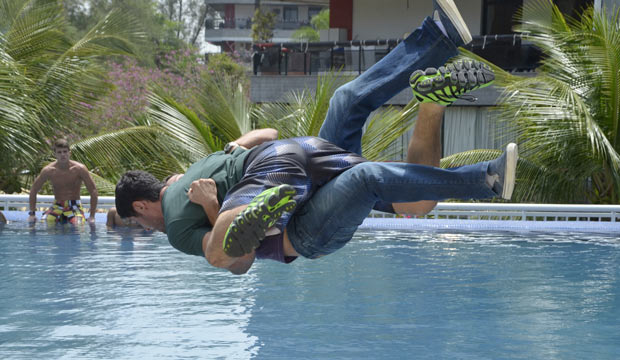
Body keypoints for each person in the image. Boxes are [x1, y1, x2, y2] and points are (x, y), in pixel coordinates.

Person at [115, 0, 516, 275]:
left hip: (298, 197)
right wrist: (220, 183)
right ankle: (479, 166)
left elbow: (238, 259)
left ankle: (480, 168)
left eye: (139, 222)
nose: (146, 229)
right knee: (369, 156)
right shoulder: (191, 188)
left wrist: (225, 177)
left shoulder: (179, 215)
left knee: (352, 113)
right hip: (296, 193)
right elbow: (237, 257)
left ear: (142, 205)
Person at [28, 138, 98, 224]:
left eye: (65, 152)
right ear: (55, 154)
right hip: (57, 205)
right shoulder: (49, 170)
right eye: (59, 152)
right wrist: (32, 214)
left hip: (74, 205)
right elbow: (34, 189)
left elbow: (93, 190)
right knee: (45, 223)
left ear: (69, 153)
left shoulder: (79, 169)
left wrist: (92, 216)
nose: (63, 155)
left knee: (78, 224)